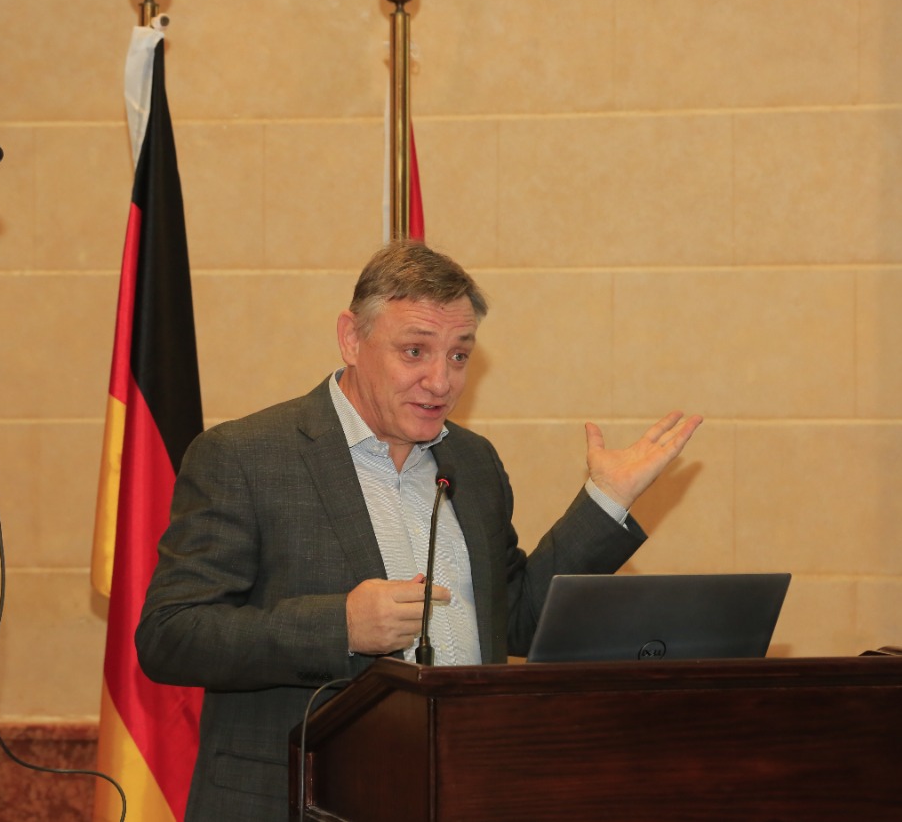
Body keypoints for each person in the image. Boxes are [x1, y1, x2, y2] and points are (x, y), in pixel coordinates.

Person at [136, 240, 702, 820]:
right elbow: (169, 635)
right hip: (301, 801)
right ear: (351, 339)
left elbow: (516, 620)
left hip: (464, 793)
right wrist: (341, 626)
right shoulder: (246, 456)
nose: (441, 381)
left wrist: (606, 500)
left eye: (459, 356)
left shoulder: (474, 464)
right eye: (415, 351)